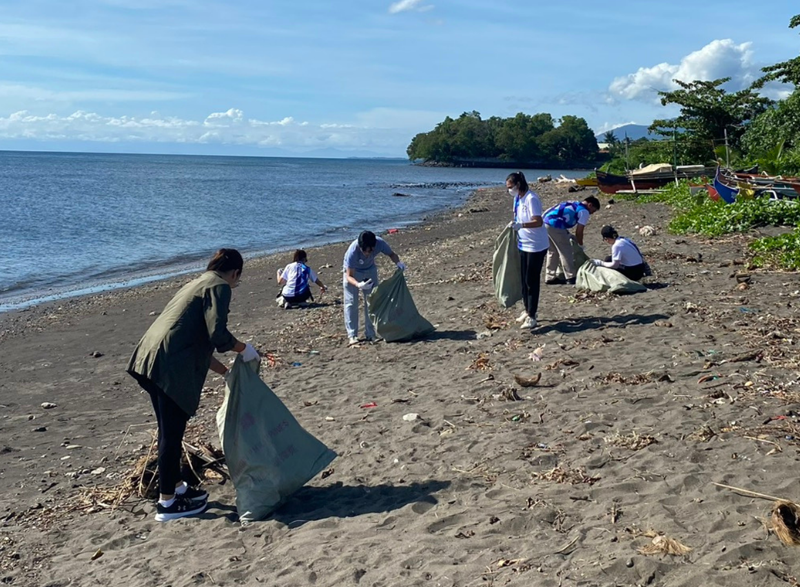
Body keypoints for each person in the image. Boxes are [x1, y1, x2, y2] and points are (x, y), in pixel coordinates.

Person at [127, 248, 260, 522]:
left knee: (168, 430)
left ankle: (177, 487)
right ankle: (167, 503)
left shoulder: (198, 282)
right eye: (237, 279)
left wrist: (226, 373)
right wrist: (244, 349)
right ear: (235, 273)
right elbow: (218, 335)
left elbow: (197, 342)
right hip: (167, 365)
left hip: (148, 357)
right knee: (171, 434)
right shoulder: (219, 286)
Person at [342, 230, 405, 345]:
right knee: (351, 303)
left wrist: (398, 263)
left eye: (370, 251)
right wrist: (358, 284)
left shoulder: (380, 243)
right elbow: (349, 276)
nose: (367, 254)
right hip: (353, 272)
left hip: (370, 270)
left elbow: (392, 254)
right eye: (365, 251)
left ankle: (370, 334)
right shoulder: (353, 251)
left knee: (372, 301)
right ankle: (352, 335)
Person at [506, 171, 549, 330]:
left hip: (536, 245)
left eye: (510, 187)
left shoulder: (531, 198)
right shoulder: (518, 198)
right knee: (523, 279)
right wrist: (514, 224)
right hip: (523, 243)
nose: (509, 190)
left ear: (518, 184)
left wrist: (522, 225)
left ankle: (532, 315)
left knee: (532, 280)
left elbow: (538, 221)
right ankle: (527, 309)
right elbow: (518, 216)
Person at [543, 195, 601, 285]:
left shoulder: (573, 203)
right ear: (590, 205)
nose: (592, 213)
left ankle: (550, 277)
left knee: (552, 251)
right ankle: (570, 276)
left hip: (545, 223)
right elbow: (579, 231)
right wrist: (580, 245)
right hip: (555, 225)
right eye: (593, 211)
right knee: (566, 251)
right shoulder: (584, 211)